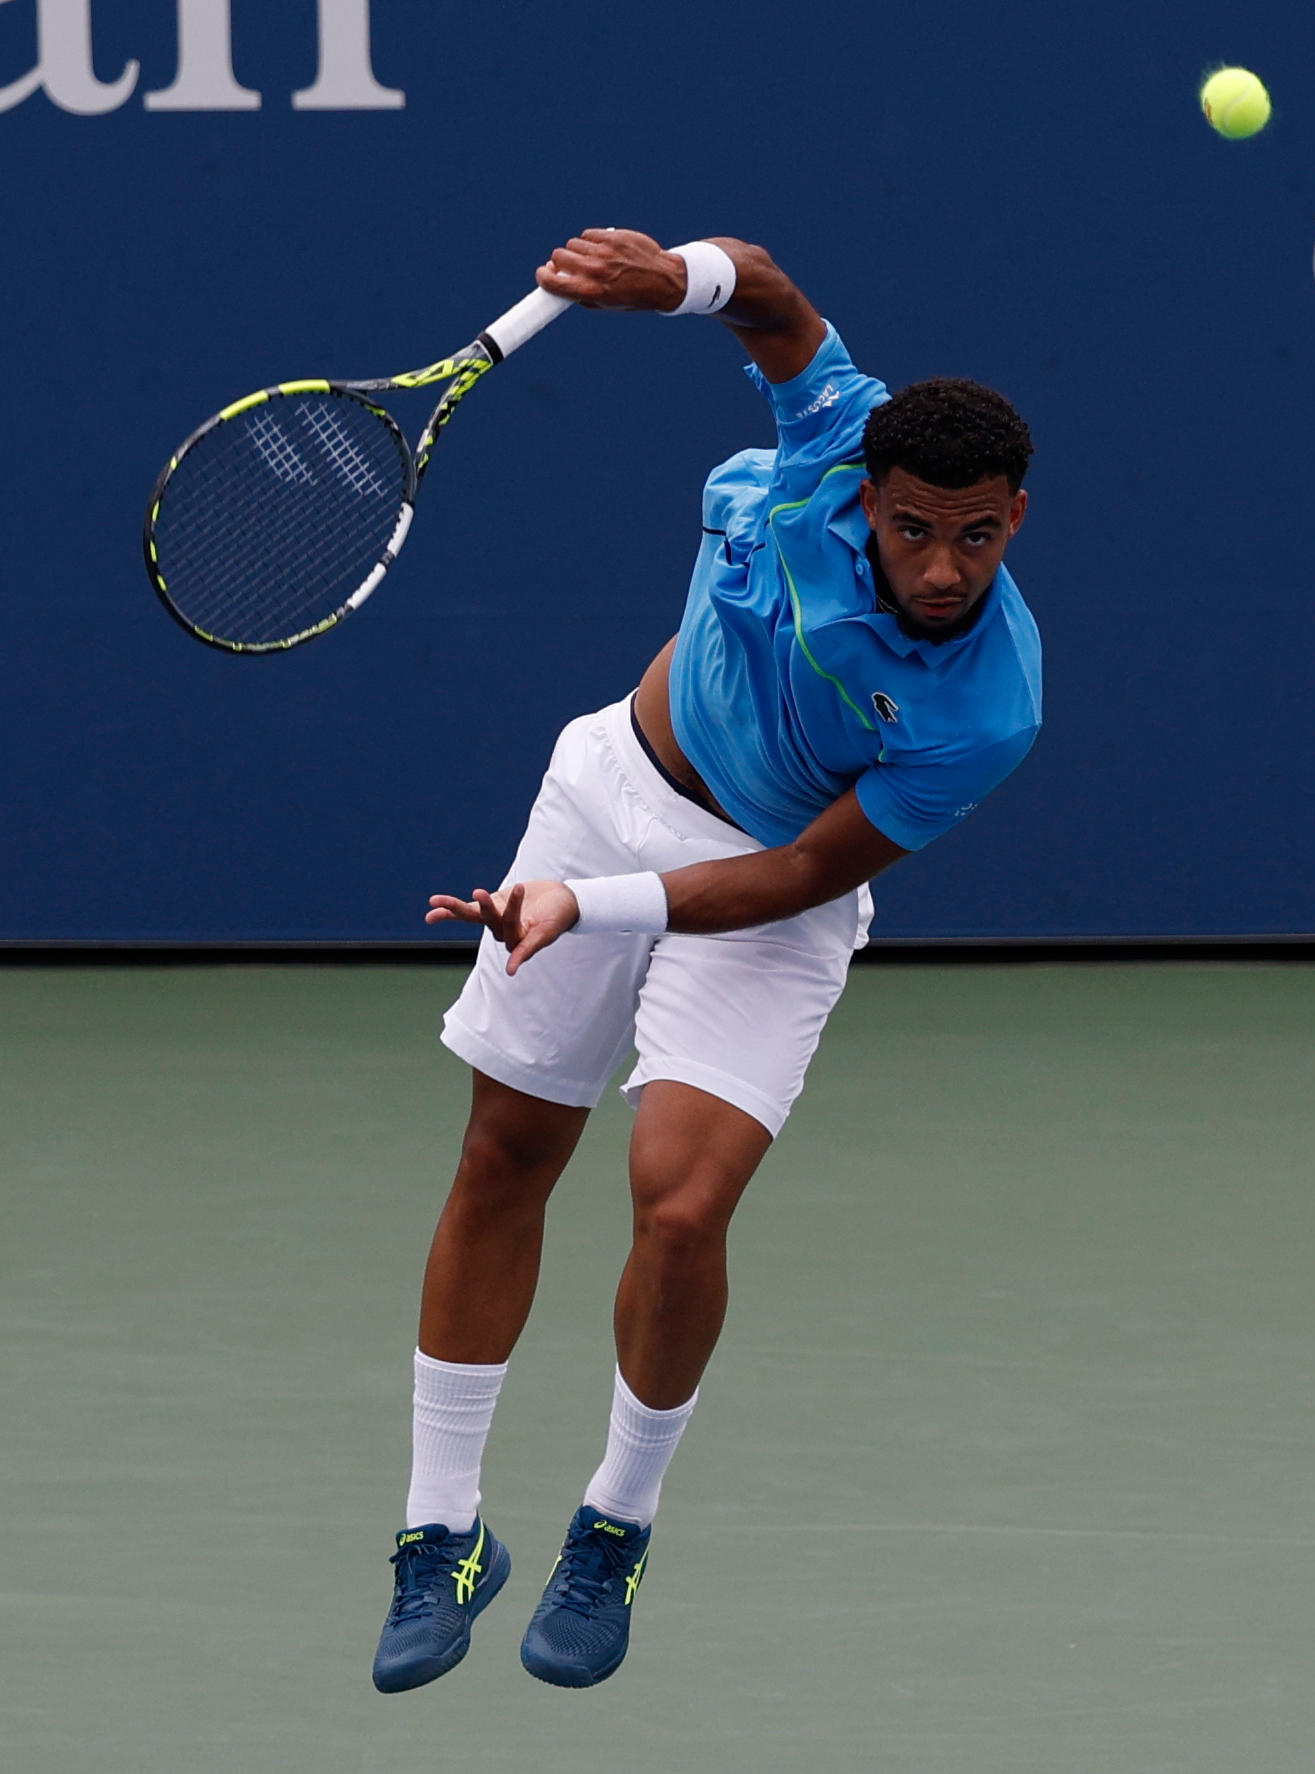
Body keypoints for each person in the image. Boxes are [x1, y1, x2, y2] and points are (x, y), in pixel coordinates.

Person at [370, 228, 1042, 1693]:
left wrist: (586, 908)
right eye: (914, 527)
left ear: (1016, 518)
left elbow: (801, 874)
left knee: (678, 1210)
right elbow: (770, 290)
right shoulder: (829, 432)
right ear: (867, 489)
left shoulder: (986, 710)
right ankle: (440, 1528)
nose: (942, 566)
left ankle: (614, 1520)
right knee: (504, 1155)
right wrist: (663, 276)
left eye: (977, 534)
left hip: (763, 893)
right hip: (607, 785)